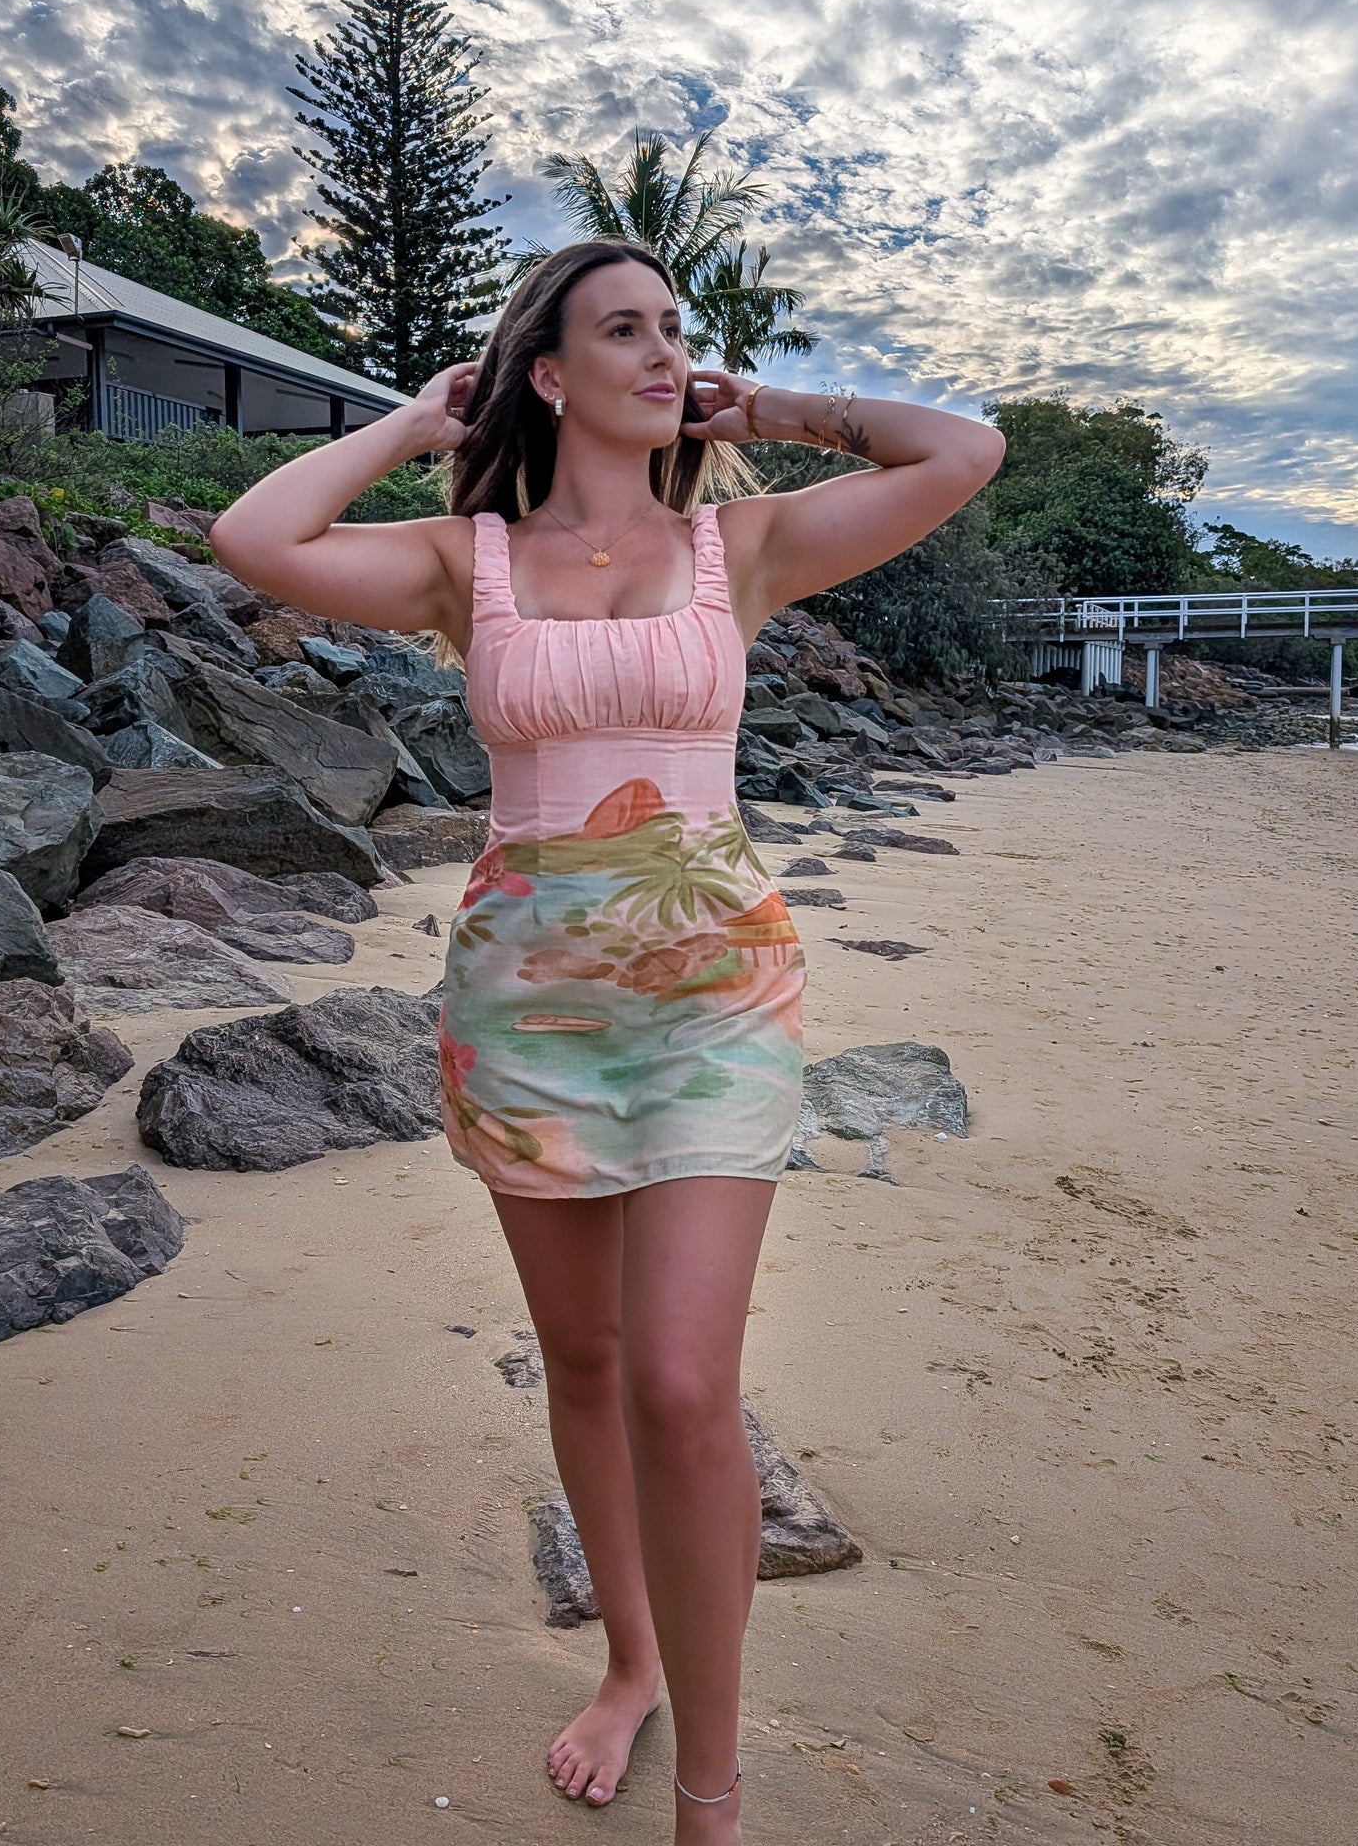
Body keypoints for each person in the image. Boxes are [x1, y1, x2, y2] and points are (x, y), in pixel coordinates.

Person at [209, 240, 1005, 1843]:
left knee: (684, 1381)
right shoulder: (464, 562)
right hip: (524, 1009)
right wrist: (414, 420)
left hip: (716, 1001)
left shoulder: (746, 544)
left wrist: (765, 405)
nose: (660, 352)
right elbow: (252, 537)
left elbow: (962, 451)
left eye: (674, 330)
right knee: (580, 1359)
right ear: (549, 376)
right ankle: (629, 1663)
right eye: (621, 332)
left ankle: (708, 1797)